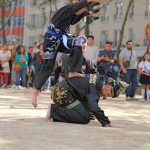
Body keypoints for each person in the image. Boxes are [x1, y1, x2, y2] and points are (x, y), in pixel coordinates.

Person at [32, 0, 104, 108]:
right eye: (82, 9)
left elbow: (74, 19)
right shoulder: (67, 9)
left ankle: (73, 71)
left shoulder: (71, 15)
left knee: (78, 43)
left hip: (61, 39)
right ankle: (35, 91)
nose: (82, 11)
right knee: (48, 67)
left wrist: (85, 13)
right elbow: (76, 7)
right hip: (51, 40)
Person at [45, 74, 126, 127]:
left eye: (110, 95)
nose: (108, 93)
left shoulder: (99, 79)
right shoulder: (94, 88)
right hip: (61, 93)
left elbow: (107, 77)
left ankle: (57, 110)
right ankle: (54, 110)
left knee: (87, 112)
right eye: (110, 90)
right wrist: (107, 122)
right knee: (84, 118)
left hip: (62, 90)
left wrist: (121, 84)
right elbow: (94, 107)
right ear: (108, 84)